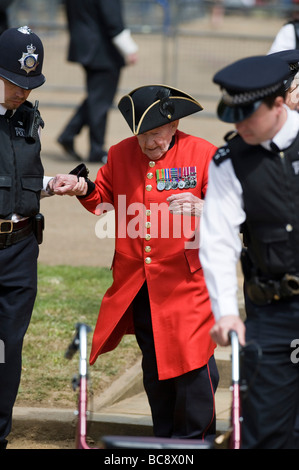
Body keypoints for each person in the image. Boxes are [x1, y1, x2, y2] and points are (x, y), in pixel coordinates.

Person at [51, 85, 219, 441]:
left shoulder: (204, 154)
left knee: (193, 366)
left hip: (187, 283)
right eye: (142, 136)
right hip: (140, 282)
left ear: (174, 126)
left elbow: (237, 211)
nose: (148, 145)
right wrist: (82, 188)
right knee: (156, 368)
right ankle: (163, 440)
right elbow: (104, 200)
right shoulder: (119, 153)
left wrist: (207, 208)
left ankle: (194, 443)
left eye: (156, 135)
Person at [199, 54, 299, 448]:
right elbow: (217, 239)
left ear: (278, 104)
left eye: (248, 115)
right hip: (272, 312)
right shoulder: (229, 162)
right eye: (233, 116)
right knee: (265, 428)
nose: (239, 126)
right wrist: (225, 312)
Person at [0, 26, 53, 449]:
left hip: (19, 249)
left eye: (29, 84)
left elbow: (22, 180)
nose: (23, 92)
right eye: (15, 82)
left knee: (7, 349)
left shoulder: (27, 117)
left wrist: (54, 184)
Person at [57, 0, 138, 163]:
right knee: (100, 100)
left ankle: (69, 134)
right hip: (103, 50)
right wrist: (129, 48)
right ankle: (95, 149)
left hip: (85, 45)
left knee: (97, 97)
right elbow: (113, 20)